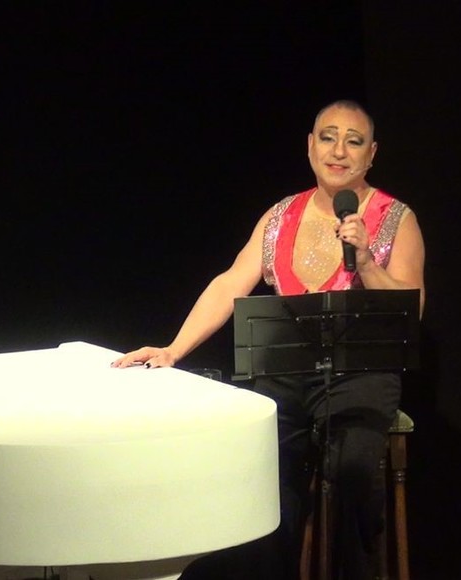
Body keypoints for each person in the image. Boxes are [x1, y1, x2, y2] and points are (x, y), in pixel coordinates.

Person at [112, 100, 425, 579]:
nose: (338, 151)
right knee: (261, 472)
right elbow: (230, 284)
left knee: (354, 471)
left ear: (371, 154)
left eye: (354, 141)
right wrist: (173, 349)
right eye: (328, 137)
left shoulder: (395, 218)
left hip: (360, 376)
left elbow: (412, 308)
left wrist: (365, 261)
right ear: (310, 146)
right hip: (287, 373)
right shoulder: (280, 215)